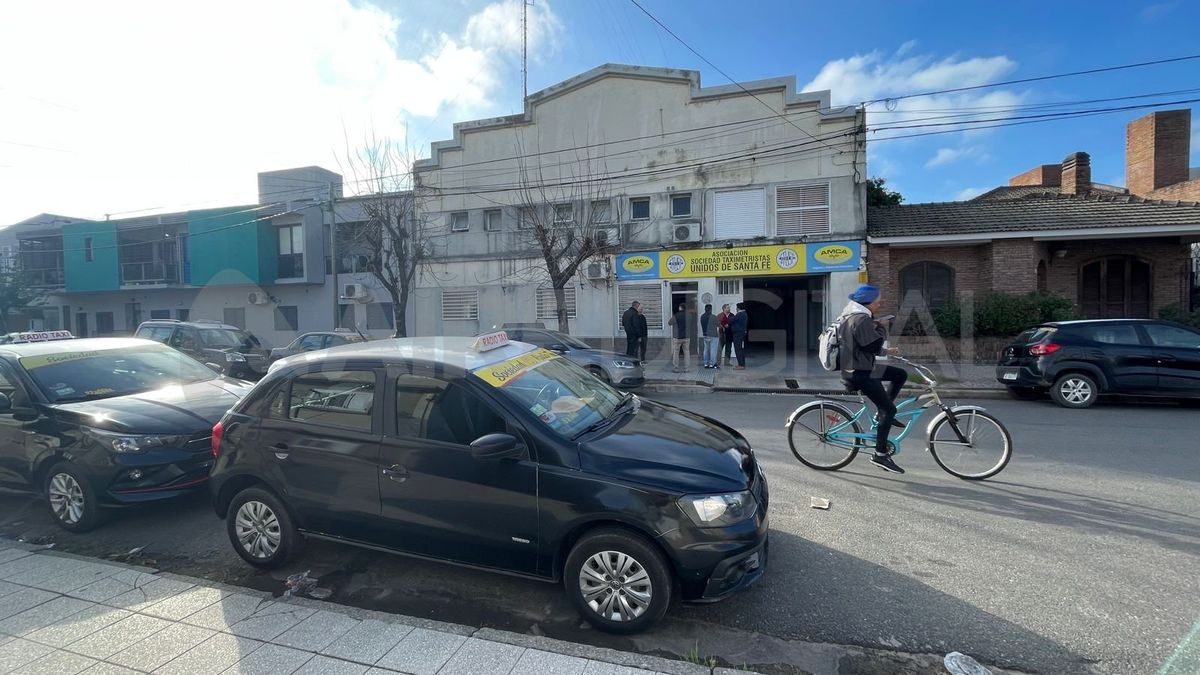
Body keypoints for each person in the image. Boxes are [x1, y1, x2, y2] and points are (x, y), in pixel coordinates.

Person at [838, 283, 908, 474]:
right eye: (877, 301)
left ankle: (881, 415)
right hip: (859, 373)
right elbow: (871, 345)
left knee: (900, 374)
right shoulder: (861, 319)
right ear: (868, 303)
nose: (879, 304)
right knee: (890, 409)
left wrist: (886, 350)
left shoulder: (858, 317)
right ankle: (880, 454)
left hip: (862, 367)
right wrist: (882, 327)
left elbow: (864, 346)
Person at [667, 303, 689, 372]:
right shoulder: (689, 315)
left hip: (677, 337)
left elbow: (669, 323)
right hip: (686, 337)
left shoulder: (676, 315)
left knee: (676, 353)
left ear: (680, 308)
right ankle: (686, 368)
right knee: (687, 352)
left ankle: (676, 368)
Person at [699, 304, 719, 369]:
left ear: (705, 309)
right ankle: (712, 364)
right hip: (713, 335)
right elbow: (719, 324)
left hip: (705, 335)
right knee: (713, 350)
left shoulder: (702, 316)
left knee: (706, 350)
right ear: (711, 309)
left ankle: (706, 363)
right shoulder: (713, 316)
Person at [730, 302, 748, 369]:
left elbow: (731, 320)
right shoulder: (745, 314)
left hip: (738, 334)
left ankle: (740, 365)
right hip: (742, 334)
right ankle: (742, 364)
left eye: (736, 308)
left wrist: (730, 317)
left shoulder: (740, 314)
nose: (736, 309)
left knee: (738, 349)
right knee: (741, 349)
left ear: (738, 308)